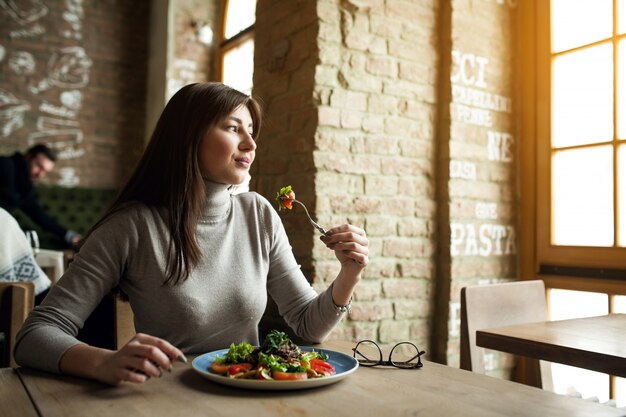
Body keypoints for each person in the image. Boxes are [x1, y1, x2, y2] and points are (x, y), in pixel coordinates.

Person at [14, 82, 369, 386]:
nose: (251, 144)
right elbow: (33, 336)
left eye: (251, 131)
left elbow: (309, 327)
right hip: (166, 400)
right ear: (188, 136)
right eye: (233, 128)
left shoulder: (258, 213)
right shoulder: (132, 226)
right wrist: (102, 361)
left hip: (249, 398)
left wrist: (349, 273)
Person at [0, 144, 81, 247]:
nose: (40, 175)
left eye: (45, 172)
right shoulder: (5, 165)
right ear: (28, 157)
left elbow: (38, 214)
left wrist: (68, 235)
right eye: (39, 166)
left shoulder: (24, 184)